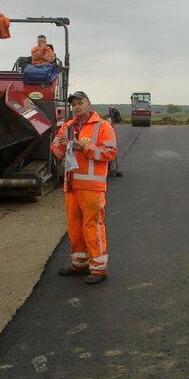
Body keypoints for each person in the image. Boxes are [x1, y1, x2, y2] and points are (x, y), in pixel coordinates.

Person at [51, 91, 117, 285]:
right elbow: (56, 150)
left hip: (92, 187)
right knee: (74, 225)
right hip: (71, 186)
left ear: (89, 104)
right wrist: (61, 146)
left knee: (92, 225)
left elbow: (110, 153)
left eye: (81, 103)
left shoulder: (103, 126)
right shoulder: (68, 126)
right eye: (74, 104)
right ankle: (79, 263)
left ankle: (98, 268)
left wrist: (84, 148)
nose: (77, 107)